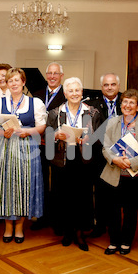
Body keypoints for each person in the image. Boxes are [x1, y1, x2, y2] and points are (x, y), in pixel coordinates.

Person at [0, 68, 47, 243]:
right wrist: (1, 132)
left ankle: (19, 227)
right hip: (4, 149)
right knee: (5, 187)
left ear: (23, 82)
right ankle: (7, 226)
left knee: (23, 186)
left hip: (27, 149)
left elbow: (41, 126)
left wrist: (27, 132)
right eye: (10, 80)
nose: (13, 83)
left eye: (17, 80)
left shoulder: (35, 103)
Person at [46, 77, 103, 251]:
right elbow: (47, 136)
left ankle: (80, 232)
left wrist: (89, 139)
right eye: (70, 91)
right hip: (62, 158)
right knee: (63, 195)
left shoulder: (92, 112)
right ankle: (67, 231)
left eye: (77, 90)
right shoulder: (56, 113)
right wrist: (56, 135)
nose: (74, 94)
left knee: (83, 196)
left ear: (82, 92)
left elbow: (100, 136)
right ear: (65, 93)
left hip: (83, 159)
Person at [101, 89, 138, 255]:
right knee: (113, 210)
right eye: (125, 101)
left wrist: (130, 162)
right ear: (121, 104)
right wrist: (115, 160)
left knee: (131, 211)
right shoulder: (112, 123)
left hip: (136, 176)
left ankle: (126, 241)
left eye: (132, 102)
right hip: (114, 174)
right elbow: (106, 147)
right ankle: (114, 241)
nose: (128, 105)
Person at [31, 62, 67, 231]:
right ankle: (42, 216)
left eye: (56, 73)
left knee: (58, 182)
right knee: (41, 181)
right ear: (46, 75)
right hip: (39, 145)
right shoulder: (36, 95)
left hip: (58, 145)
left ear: (61, 75)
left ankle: (58, 219)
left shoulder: (67, 95)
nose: (52, 76)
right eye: (49, 73)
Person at [86, 73, 122, 238]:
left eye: (113, 84)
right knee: (100, 192)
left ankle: (116, 227)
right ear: (102, 87)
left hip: (122, 153)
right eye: (106, 85)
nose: (109, 87)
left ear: (118, 86)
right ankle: (100, 225)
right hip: (99, 156)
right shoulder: (91, 104)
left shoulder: (126, 101)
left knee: (117, 192)